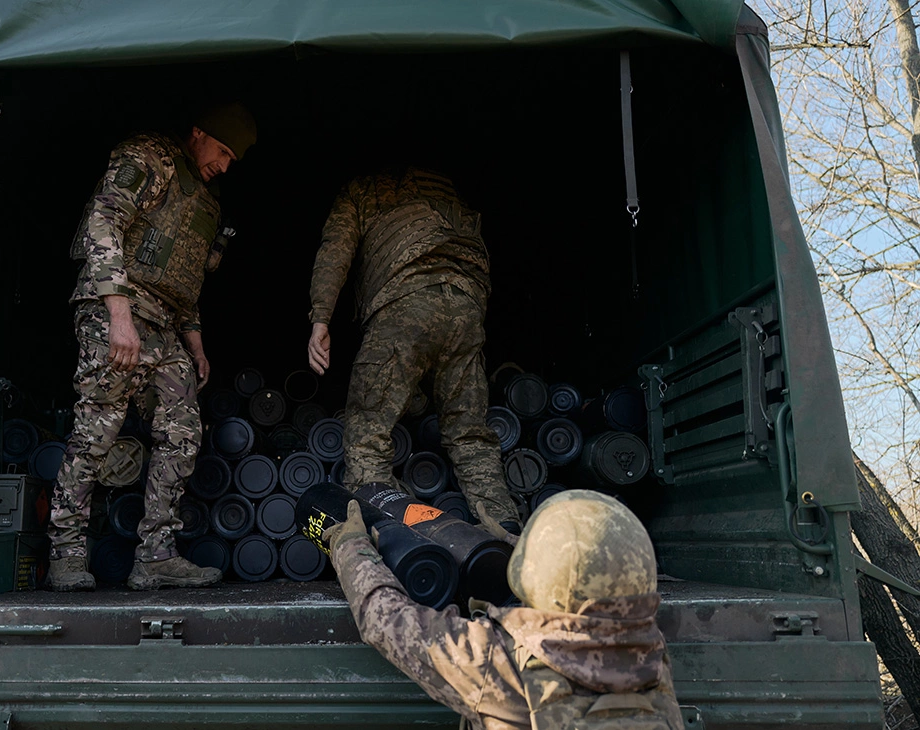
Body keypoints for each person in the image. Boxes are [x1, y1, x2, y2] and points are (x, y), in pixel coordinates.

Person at [47, 102, 257, 591]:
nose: (224, 165)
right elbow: (104, 222)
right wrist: (119, 314)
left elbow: (183, 282)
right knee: (96, 432)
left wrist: (197, 345)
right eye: (222, 150)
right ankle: (66, 554)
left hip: (164, 325)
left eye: (233, 159)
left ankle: (157, 556)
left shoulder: (206, 201)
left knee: (182, 431)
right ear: (199, 132)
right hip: (114, 308)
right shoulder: (151, 158)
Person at [324, 490, 685, 730]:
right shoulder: (649, 651)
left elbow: (384, 618)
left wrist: (351, 545)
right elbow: (585, 583)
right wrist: (518, 543)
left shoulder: (499, 663)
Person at [306, 166, 519, 531]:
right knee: (469, 434)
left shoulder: (362, 189)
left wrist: (321, 319)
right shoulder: (445, 188)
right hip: (466, 307)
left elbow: (335, 252)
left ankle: (385, 535)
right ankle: (506, 528)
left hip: (405, 306)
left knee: (367, 432)